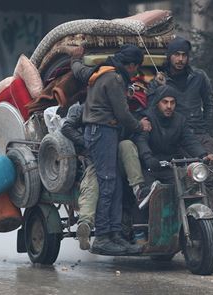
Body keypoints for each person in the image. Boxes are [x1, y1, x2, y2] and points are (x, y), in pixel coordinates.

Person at [149, 36, 213, 234]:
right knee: (183, 179)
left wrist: (205, 129)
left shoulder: (199, 76)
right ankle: (186, 217)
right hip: (175, 136)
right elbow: (151, 106)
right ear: (169, 56)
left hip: (198, 133)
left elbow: (209, 103)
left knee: (208, 173)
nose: (180, 59)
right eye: (176, 55)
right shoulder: (160, 79)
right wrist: (158, 86)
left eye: (184, 55)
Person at [79, 44, 151, 255]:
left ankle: (115, 234)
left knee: (116, 184)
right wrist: (140, 126)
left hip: (105, 132)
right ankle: (102, 237)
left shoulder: (105, 72)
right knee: (108, 183)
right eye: (136, 68)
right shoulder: (114, 79)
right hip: (102, 131)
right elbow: (122, 114)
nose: (136, 73)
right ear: (131, 65)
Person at [133, 85, 213, 241]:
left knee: (189, 189)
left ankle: (200, 221)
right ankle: (139, 231)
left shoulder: (179, 120)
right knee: (145, 192)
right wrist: (148, 158)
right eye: (165, 102)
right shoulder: (147, 118)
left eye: (172, 102)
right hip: (150, 166)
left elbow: (189, 140)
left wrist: (203, 154)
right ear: (158, 102)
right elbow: (141, 140)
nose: (169, 106)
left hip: (171, 166)